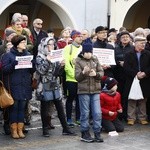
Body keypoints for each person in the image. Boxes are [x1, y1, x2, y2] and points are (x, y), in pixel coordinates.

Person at [35, 37, 75, 137]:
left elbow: (58, 74)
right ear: (44, 46)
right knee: (44, 107)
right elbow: (41, 71)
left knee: (60, 107)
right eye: (49, 45)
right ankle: (45, 129)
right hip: (44, 85)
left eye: (53, 44)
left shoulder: (55, 56)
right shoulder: (39, 57)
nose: (52, 47)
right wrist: (48, 60)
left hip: (54, 84)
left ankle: (65, 128)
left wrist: (61, 66)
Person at [1, 35, 35, 139]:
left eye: (25, 42)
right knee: (14, 108)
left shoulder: (28, 54)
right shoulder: (8, 55)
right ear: (17, 44)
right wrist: (14, 64)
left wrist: (33, 64)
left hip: (25, 85)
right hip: (14, 86)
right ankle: (13, 130)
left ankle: (20, 129)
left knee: (22, 108)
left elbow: (32, 71)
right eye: (23, 42)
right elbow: (5, 70)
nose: (25, 44)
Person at [75, 42, 104, 143]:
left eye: (90, 52)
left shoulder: (95, 59)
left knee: (97, 112)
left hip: (95, 90)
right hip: (84, 91)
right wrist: (83, 73)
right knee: (85, 113)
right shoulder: (78, 60)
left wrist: (96, 74)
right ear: (82, 52)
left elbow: (101, 73)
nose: (88, 54)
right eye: (86, 52)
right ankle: (84, 133)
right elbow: (77, 77)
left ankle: (97, 132)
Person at [123, 36, 150, 125]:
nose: (143, 44)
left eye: (144, 43)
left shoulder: (148, 53)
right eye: (141, 43)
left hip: (144, 79)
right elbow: (126, 67)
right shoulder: (128, 54)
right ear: (136, 43)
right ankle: (131, 118)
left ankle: (142, 117)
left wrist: (145, 73)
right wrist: (136, 74)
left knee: (143, 99)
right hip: (132, 79)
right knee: (132, 99)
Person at [113, 31, 134, 121]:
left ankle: (126, 114)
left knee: (127, 95)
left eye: (127, 37)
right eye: (123, 37)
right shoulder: (116, 49)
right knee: (119, 94)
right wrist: (118, 63)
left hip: (129, 75)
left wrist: (126, 64)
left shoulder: (133, 48)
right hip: (118, 74)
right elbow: (113, 60)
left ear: (129, 38)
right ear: (120, 39)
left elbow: (135, 61)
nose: (125, 38)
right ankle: (119, 114)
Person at [63, 30, 82, 126]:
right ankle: (69, 118)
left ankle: (78, 118)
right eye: (78, 36)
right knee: (70, 98)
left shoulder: (82, 48)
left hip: (81, 79)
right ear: (74, 37)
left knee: (79, 99)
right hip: (71, 79)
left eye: (81, 36)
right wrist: (74, 74)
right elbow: (66, 63)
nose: (80, 38)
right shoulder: (68, 48)